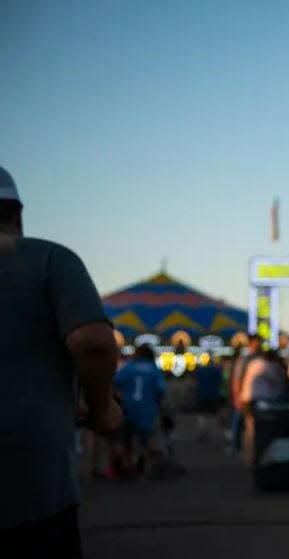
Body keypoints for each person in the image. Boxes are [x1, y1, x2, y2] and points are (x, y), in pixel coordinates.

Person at [0, 166, 122, 557]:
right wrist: (101, 407)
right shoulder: (47, 259)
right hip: (30, 492)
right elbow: (94, 342)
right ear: (17, 214)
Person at [113, 343, 166, 475]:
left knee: (126, 439)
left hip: (128, 407)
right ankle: (141, 462)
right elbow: (161, 389)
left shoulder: (129, 367)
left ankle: (127, 464)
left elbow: (115, 382)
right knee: (144, 439)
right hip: (147, 409)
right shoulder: (154, 369)